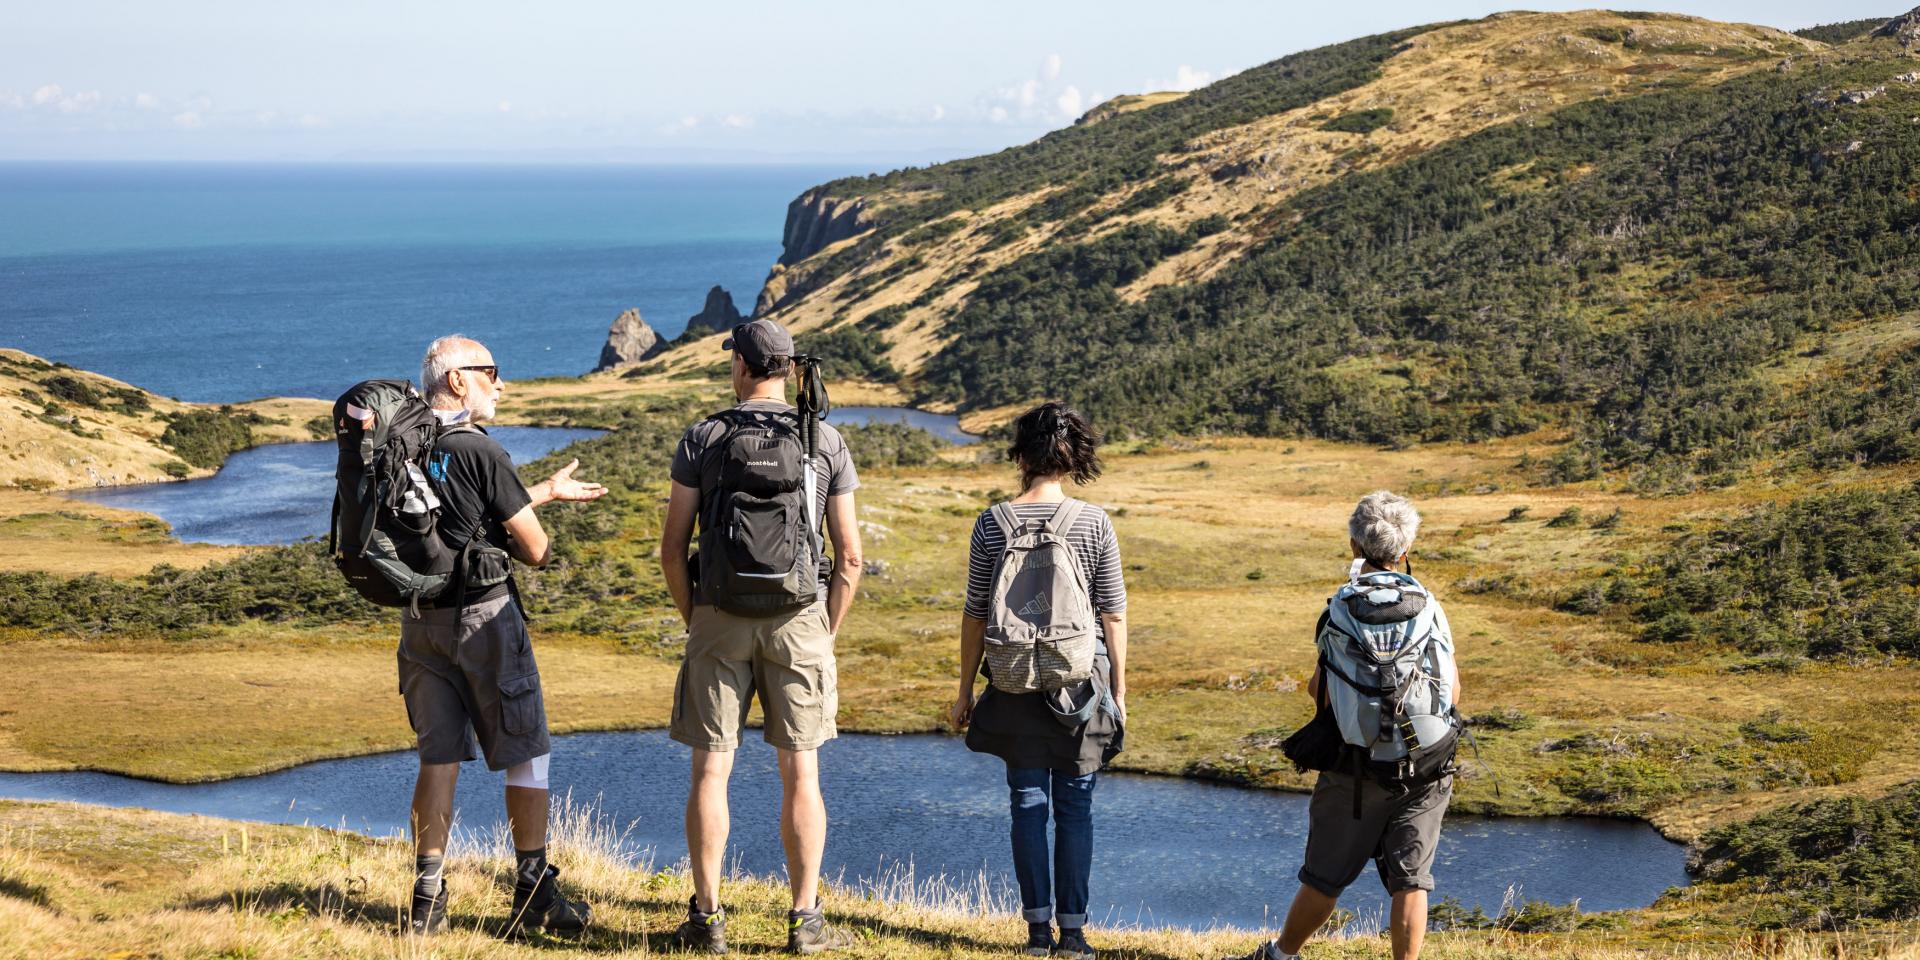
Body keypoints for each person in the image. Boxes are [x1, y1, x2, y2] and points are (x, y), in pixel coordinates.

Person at [658, 318, 864, 954]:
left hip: (718, 615)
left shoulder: (705, 437)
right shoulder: (823, 440)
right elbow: (850, 559)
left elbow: (671, 550)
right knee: (801, 773)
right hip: (799, 617)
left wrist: (699, 619)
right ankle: (805, 922)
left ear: (742, 367)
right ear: (787, 369)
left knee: (710, 773)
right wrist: (821, 628)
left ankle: (707, 920)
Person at [400, 335, 608, 937]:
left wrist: (539, 491)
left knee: (438, 758)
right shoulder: (480, 450)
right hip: (483, 617)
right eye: (490, 371)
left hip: (419, 622)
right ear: (458, 381)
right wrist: (534, 513)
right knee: (527, 750)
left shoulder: (409, 444)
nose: (501, 383)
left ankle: (427, 903)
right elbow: (536, 549)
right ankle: (533, 891)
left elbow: (460, 520)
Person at [1235, 491, 1461, 960]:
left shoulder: (1340, 607)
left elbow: (1320, 690)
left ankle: (1281, 955)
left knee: (1324, 876)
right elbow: (1451, 692)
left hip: (1355, 767)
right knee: (1411, 879)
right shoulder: (1429, 605)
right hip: (1425, 762)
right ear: (1404, 551)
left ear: (1354, 546)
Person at [949, 402, 1128, 960]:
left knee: (1027, 803)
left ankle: (1034, 934)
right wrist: (1119, 691)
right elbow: (1113, 614)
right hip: (1080, 683)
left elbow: (977, 611)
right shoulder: (1094, 522)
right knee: (1076, 806)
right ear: (1073, 458)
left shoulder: (992, 522)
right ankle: (1073, 936)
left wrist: (964, 690)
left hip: (1011, 679)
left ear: (1021, 456)